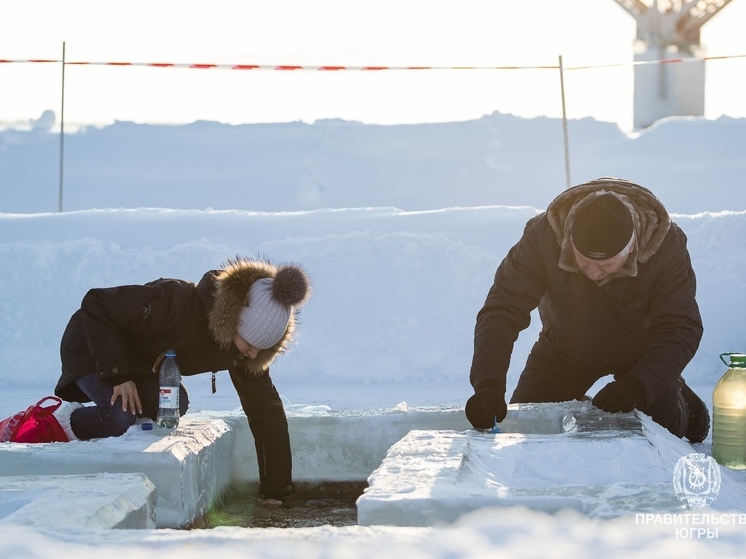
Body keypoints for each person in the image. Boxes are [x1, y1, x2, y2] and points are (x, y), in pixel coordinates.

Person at [465, 177, 710, 443]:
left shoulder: (665, 246)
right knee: (532, 426)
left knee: (660, 432)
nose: (593, 273)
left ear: (630, 248)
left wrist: (639, 385)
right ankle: (579, 405)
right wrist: (488, 384)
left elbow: (681, 326)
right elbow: (502, 311)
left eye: (605, 266)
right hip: (564, 349)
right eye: (583, 262)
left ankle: (683, 402)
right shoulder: (542, 238)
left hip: (639, 354)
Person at [54, 257, 310, 502]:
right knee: (117, 416)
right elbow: (97, 303)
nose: (254, 354)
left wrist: (275, 491)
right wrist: (118, 376)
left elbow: (264, 408)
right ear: (236, 322)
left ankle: (129, 421)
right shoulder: (174, 303)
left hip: (139, 365)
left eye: (263, 349)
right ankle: (57, 421)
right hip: (91, 347)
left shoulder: (241, 350)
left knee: (175, 405)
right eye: (252, 344)